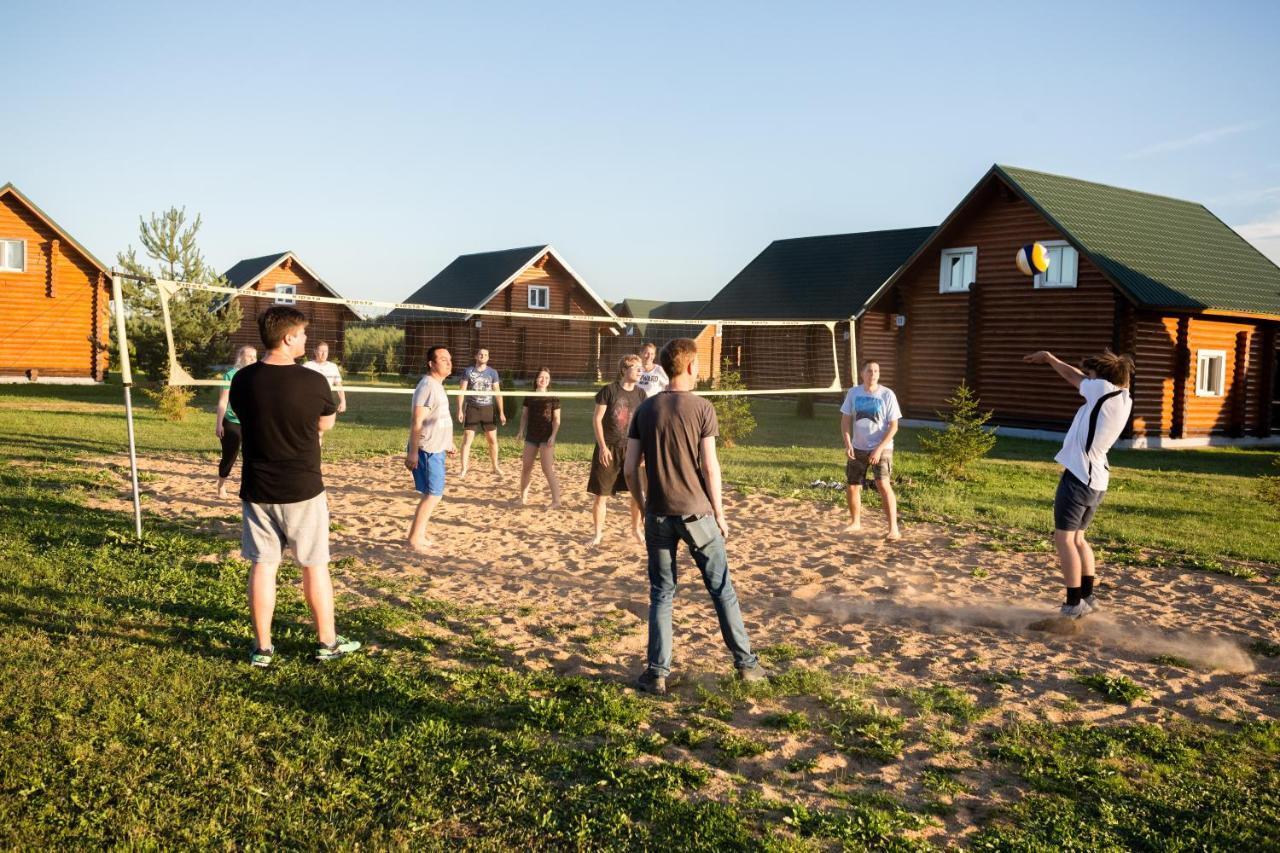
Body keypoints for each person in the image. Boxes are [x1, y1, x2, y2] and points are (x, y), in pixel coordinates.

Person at [624, 337, 767, 695]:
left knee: (661, 593)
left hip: (657, 513)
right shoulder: (703, 407)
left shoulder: (646, 409)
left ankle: (657, 673)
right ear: (689, 367)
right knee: (721, 590)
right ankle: (747, 665)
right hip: (697, 514)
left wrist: (643, 507)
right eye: (699, 364)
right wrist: (720, 513)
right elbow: (710, 466)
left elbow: (629, 469)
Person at [228, 306, 360, 667]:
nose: (305, 339)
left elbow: (240, 416)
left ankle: (263, 649)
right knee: (314, 565)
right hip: (303, 488)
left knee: (263, 566)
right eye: (302, 334)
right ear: (288, 338)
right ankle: (327, 643)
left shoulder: (243, 379)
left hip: (258, 486)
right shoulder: (313, 380)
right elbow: (326, 425)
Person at [1023, 349, 1134, 619]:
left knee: (1064, 540)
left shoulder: (1101, 390)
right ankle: (1087, 597)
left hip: (1079, 477)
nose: (1087, 379)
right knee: (1079, 539)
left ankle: (1074, 604)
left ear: (1102, 378)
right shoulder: (1122, 397)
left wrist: (1050, 358)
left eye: (1092, 375)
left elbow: (1072, 376)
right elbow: (1081, 376)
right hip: (1096, 479)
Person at [839, 361, 902, 540]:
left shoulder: (887, 394)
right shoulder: (853, 393)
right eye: (869, 371)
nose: (873, 374)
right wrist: (848, 444)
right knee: (852, 486)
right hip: (857, 447)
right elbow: (845, 421)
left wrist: (878, 449)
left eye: (876, 371)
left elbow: (894, 426)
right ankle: (855, 523)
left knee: (883, 484)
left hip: (882, 447)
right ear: (862, 374)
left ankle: (893, 529)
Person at [589, 354, 646, 545]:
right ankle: (598, 534)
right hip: (609, 449)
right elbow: (597, 419)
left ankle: (636, 530)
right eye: (636, 367)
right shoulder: (609, 391)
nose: (640, 371)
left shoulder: (640, 394)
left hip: (632, 449)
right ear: (624, 369)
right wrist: (603, 447)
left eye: (641, 368)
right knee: (601, 495)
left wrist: (644, 450)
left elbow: (642, 424)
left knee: (638, 494)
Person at [406, 346, 458, 552]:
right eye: (443, 359)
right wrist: (412, 452)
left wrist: (448, 442)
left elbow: (438, 418)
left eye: (449, 359)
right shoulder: (427, 385)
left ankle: (417, 535)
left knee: (432, 494)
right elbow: (417, 420)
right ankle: (414, 539)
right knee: (433, 495)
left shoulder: (436, 385)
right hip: (427, 449)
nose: (448, 362)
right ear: (431, 363)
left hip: (437, 448)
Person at [515, 367, 562, 508]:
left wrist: (553, 436)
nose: (543, 380)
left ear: (549, 381)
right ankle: (523, 498)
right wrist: (521, 431)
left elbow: (557, 420)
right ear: (536, 379)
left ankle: (556, 501)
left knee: (547, 468)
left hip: (546, 436)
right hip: (531, 436)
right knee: (526, 467)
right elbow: (524, 416)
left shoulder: (553, 397)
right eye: (541, 377)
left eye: (547, 378)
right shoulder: (530, 396)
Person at [215, 344, 256, 499]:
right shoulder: (231, 375)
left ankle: (249, 488)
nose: (252, 358)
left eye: (254, 356)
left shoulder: (257, 374)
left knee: (252, 456)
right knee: (230, 456)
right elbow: (223, 401)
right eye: (249, 355)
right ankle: (221, 485)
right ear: (241, 357)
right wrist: (219, 423)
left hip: (251, 422)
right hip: (232, 421)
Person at [457, 348, 505, 478]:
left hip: (487, 409)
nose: (483, 356)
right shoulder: (468, 371)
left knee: (492, 440)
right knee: (467, 439)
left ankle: (495, 467)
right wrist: (460, 410)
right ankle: (464, 468)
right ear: (476, 356)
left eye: (485, 355)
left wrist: (501, 412)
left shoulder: (493, 372)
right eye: (480, 354)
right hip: (472, 408)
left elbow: (498, 393)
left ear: (488, 358)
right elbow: (462, 391)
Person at [303, 341, 347, 414]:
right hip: (310, 403)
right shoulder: (307, 366)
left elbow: (339, 386)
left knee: (325, 425)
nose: (324, 354)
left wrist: (343, 401)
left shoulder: (333, 367)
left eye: (326, 351)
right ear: (315, 351)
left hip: (327, 402)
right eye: (321, 351)